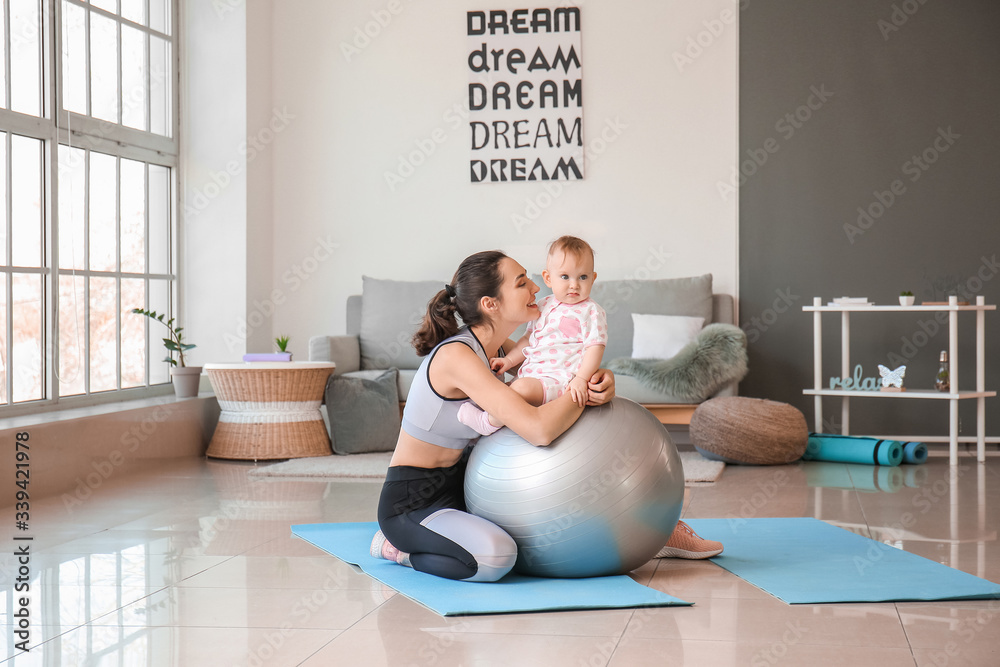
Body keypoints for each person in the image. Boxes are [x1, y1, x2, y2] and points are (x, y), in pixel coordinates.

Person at [371, 250, 720, 584]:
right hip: (415, 500)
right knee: (496, 559)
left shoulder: (505, 351)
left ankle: (651, 527)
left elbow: (558, 376)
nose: (537, 287)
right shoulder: (457, 358)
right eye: (522, 282)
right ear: (490, 304)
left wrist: (601, 380)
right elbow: (539, 430)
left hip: (474, 488)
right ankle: (399, 549)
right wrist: (580, 393)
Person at [457, 236, 607, 435]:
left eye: (583, 277)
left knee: (518, 390)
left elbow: (595, 347)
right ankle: (488, 427)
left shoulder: (591, 311)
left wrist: (581, 379)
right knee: (507, 391)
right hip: (531, 374)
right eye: (565, 277)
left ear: (593, 278)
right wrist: (509, 361)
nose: (574, 285)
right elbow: (529, 339)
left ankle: (487, 423)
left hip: (560, 381)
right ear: (548, 278)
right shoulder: (543, 305)